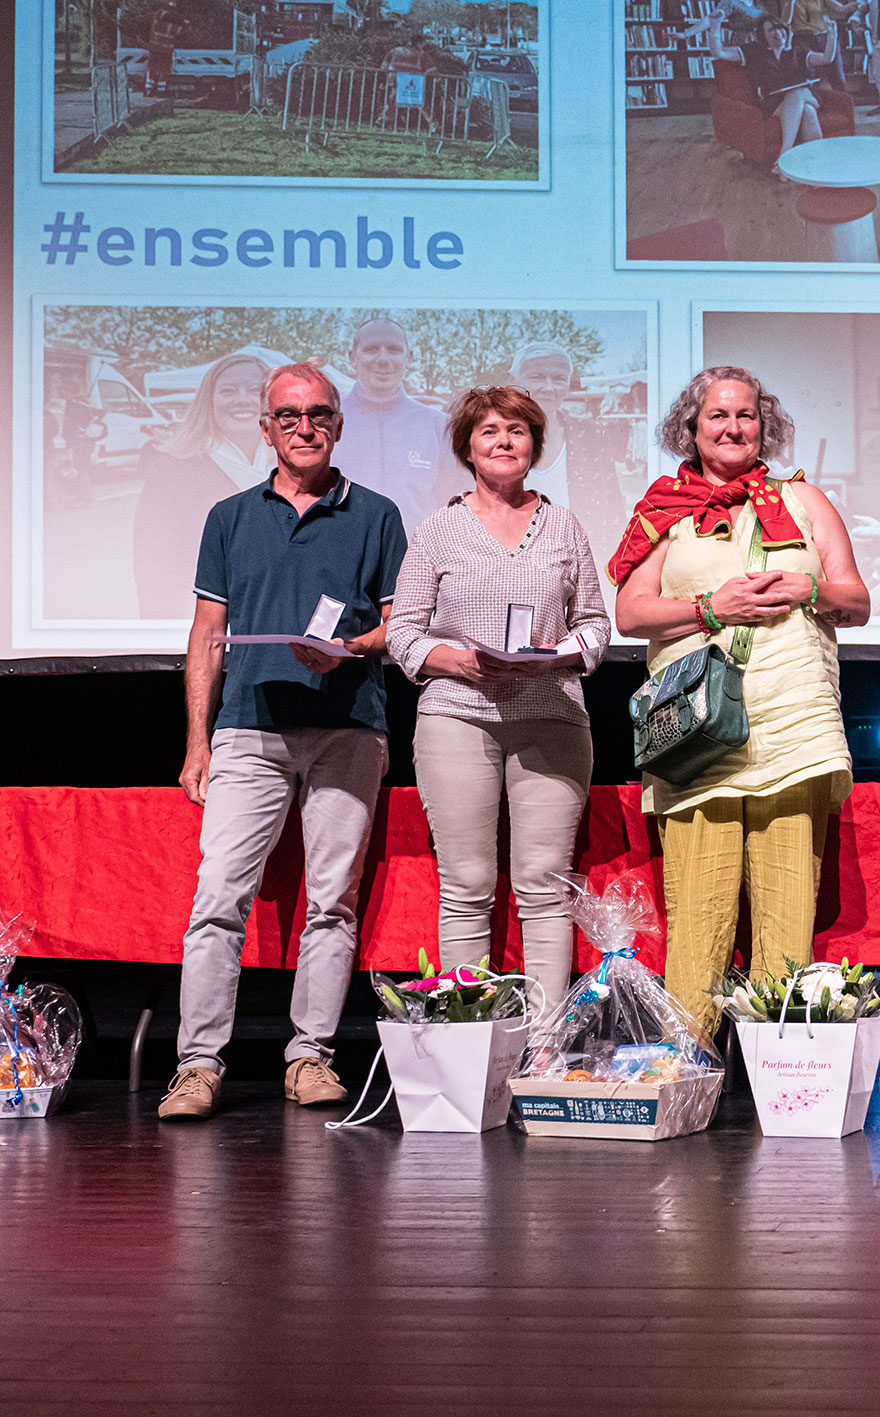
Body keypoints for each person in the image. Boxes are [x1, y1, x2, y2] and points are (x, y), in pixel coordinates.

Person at [158, 362, 408, 1121]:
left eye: (320, 414)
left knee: (332, 904)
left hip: (347, 732)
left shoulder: (378, 513)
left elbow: (401, 626)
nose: (306, 426)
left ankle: (311, 1058)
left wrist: (351, 648)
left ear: (338, 424)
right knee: (216, 901)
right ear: (266, 428)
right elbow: (207, 635)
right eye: (289, 415)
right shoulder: (229, 516)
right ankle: (197, 1066)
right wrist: (197, 743)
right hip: (249, 730)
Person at [610, 367, 872, 1032]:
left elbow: (856, 600)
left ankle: (780, 1076)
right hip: (697, 736)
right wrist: (710, 606)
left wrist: (807, 592)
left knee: (786, 928)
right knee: (698, 924)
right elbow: (630, 612)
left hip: (793, 727)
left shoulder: (805, 500)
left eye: (746, 416)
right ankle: (689, 1066)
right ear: (691, 428)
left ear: (766, 424)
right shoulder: (663, 509)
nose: (732, 428)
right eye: (717, 416)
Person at [386, 387, 611, 1014]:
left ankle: (542, 1043)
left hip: (552, 716)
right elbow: (403, 633)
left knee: (544, 887)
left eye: (517, 430)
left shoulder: (563, 524)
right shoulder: (438, 530)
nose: (504, 441)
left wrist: (559, 653)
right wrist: (458, 659)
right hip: (457, 715)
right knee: (468, 884)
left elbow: (595, 623)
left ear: (535, 445)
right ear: (467, 448)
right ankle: (470, 1032)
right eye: (489, 431)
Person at [133, 351, 273, 620]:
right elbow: (152, 564)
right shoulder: (172, 467)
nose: (242, 399)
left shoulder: (292, 466)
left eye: (255, 390)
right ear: (209, 401)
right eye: (228, 390)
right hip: (200, 624)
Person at [506, 340, 630, 583]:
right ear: (514, 380)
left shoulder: (592, 435)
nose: (549, 387)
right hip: (508, 576)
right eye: (538, 376)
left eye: (559, 378)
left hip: (575, 579)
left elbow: (613, 514)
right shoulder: (490, 440)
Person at [338, 317, 452, 536]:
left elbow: (450, 505)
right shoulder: (325, 421)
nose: (383, 359)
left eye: (394, 349)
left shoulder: (439, 427)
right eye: (371, 349)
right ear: (352, 357)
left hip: (416, 563)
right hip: (342, 560)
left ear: (409, 358)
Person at [707, 13, 842, 172]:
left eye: (779, 28)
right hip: (773, 102)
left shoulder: (798, 49)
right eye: (771, 30)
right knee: (808, 112)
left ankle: (784, 156)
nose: (777, 33)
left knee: (797, 93)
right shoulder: (753, 51)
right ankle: (818, 166)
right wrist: (715, 26)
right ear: (763, 35)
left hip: (805, 95)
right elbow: (719, 53)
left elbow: (827, 59)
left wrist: (832, 33)